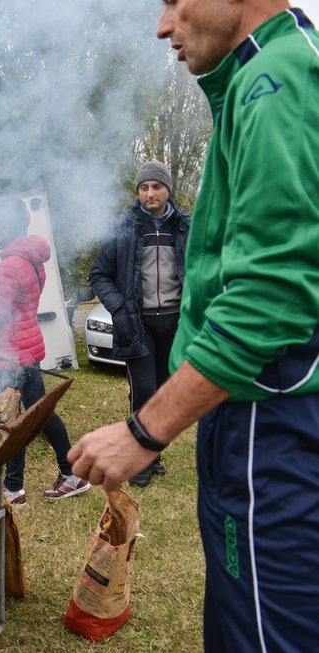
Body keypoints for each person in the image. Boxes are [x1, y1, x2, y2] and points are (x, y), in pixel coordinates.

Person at [70, 3, 319, 650]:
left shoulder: (276, 81)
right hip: (256, 418)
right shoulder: (257, 81)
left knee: (264, 633)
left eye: (175, 0)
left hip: (273, 422)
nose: (162, 25)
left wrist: (143, 430)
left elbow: (268, 293)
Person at [0, 198, 90, 505]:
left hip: (7, 357)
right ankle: (71, 474)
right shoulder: (30, 260)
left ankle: (13, 488)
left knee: (10, 421)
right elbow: (10, 300)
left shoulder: (9, 266)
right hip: (27, 350)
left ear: (4, 228)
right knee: (41, 416)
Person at [88, 161, 191, 488]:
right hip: (138, 323)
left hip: (175, 322)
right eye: (144, 187)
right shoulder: (124, 226)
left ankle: (153, 455)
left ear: (168, 190)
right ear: (138, 192)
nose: (150, 193)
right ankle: (138, 459)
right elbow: (98, 275)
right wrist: (119, 309)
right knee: (143, 390)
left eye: (156, 187)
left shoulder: (187, 225)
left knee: (163, 393)